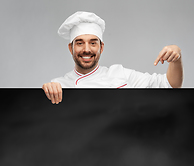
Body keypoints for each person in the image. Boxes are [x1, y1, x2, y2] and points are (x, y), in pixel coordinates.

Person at [42, 11, 184, 104]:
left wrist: (176, 59)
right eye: (79, 43)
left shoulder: (120, 73)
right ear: (70, 48)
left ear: (101, 47)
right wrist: (46, 93)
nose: (86, 49)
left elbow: (170, 85)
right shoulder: (58, 85)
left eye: (93, 43)